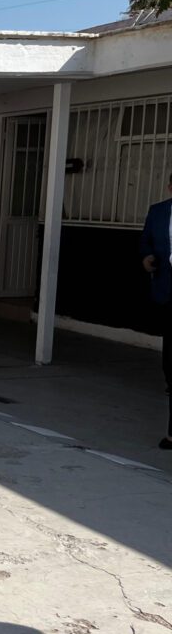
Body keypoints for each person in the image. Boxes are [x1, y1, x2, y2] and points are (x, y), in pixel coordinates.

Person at [139, 172, 172, 450]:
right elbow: (147, 241)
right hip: (168, 290)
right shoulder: (158, 211)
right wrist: (147, 258)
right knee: (170, 362)